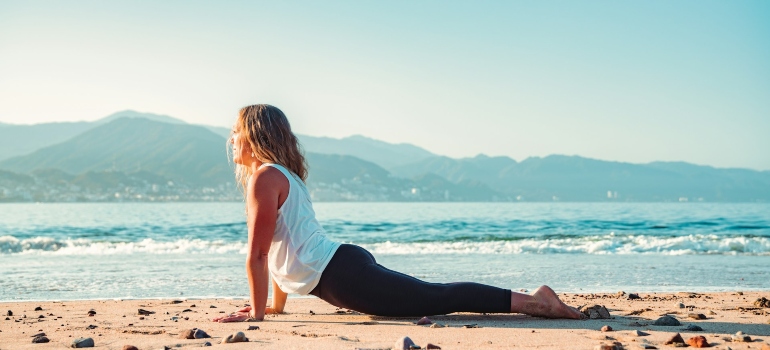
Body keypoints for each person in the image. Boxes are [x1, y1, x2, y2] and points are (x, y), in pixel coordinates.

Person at [213, 104, 583, 322]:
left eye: (235, 132)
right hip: (342, 267)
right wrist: (275, 306)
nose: (231, 140)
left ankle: (538, 302)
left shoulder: (264, 177)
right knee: (433, 296)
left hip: (342, 274)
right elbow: (283, 248)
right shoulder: (281, 175)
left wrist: (257, 315)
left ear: (255, 136)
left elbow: (258, 254)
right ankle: (534, 299)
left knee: (437, 298)